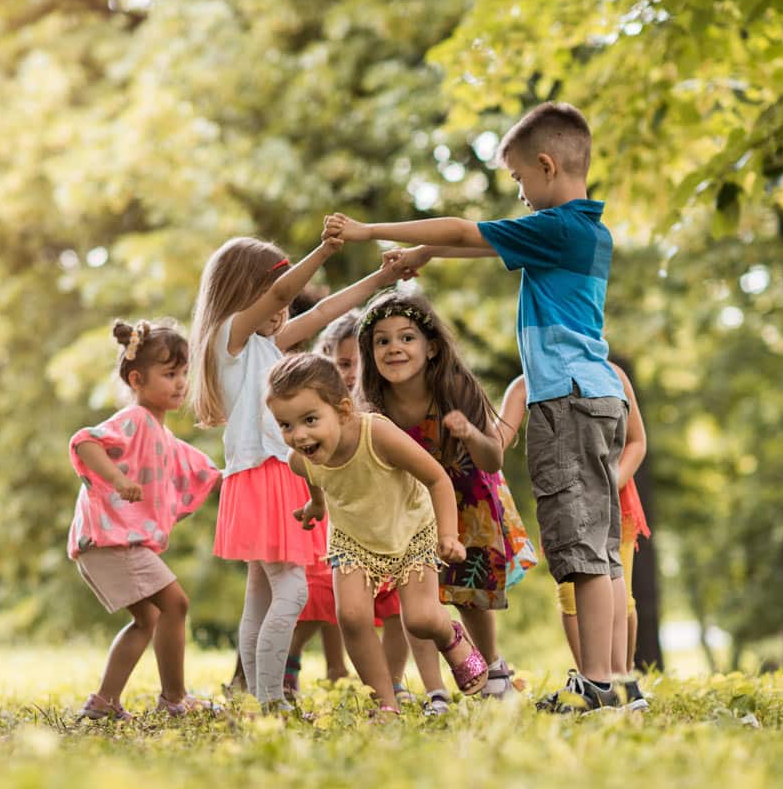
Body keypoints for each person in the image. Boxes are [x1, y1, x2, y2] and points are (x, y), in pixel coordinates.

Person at [325, 101, 629, 711]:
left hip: (566, 399)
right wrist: (426, 255)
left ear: (547, 165)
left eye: (519, 178)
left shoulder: (559, 227)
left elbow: (467, 231)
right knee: (598, 549)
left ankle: (599, 685)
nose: (518, 193)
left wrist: (368, 231)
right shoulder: (585, 232)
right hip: (597, 396)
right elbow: (479, 245)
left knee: (578, 550)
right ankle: (612, 680)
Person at [188, 234, 403, 711]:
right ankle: (271, 700)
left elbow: (322, 312)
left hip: (271, 477)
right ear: (242, 292)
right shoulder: (229, 339)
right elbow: (284, 293)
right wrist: (324, 250)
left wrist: (382, 279)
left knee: (261, 596)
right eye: (271, 295)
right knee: (293, 589)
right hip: (263, 476)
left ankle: (258, 697)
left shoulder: (265, 345)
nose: (282, 308)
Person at [265, 353, 489, 714]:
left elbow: (436, 478)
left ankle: (451, 635)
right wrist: (316, 506)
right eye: (286, 425)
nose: (299, 435)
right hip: (352, 540)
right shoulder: (301, 458)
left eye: (310, 420)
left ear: (342, 410)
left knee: (420, 618)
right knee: (352, 617)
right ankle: (385, 704)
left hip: (410, 529)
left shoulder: (377, 433)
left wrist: (449, 535)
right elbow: (313, 477)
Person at [354, 292, 532, 699]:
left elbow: (492, 459)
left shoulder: (455, 388)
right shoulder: (373, 407)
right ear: (370, 351)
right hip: (413, 508)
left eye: (406, 338)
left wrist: (469, 433)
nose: (394, 348)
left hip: (469, 499)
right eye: (382, 341)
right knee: (417, 597)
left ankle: (493, 669)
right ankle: (436, 689)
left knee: (471, 595)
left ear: (431, 347)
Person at [69, 320, 219, 720]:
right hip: (110, 541)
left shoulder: (162, 435)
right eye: (169, 374)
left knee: (149, 618)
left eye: (184, 373)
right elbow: (85, 442)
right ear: (137, 379)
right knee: (175, 604)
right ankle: (174, 698)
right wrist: (118, 480)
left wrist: (242, 476)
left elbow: (203, 471)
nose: (181, 383)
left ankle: (104, 702)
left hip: (107, 543)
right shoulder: (134, 418)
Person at [499, 363, 650, 709]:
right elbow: (498, 437)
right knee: (571, 594)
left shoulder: (613, 375)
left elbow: (637, 442)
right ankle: (591, 682)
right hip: (566, 503)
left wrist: (606, 487)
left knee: (620, 595)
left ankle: (621, 679)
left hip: (616, 505)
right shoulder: (527, 384)